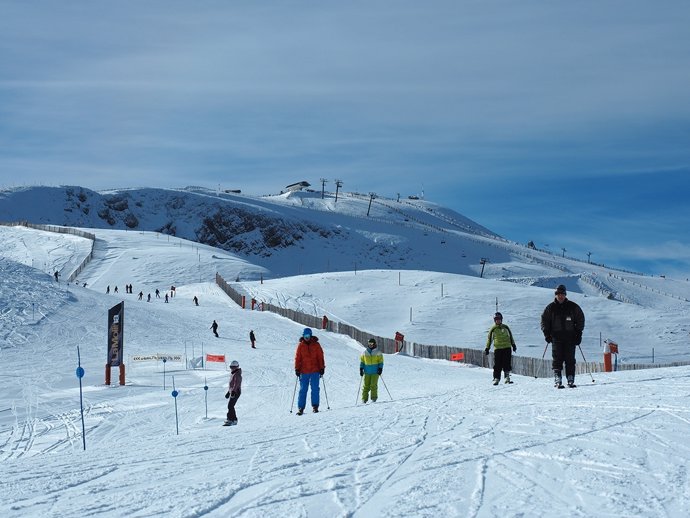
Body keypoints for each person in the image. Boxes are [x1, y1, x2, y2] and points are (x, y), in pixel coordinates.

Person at [541, 284, 585, 388]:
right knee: (557, 358)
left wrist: (578, 333)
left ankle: (570, 378)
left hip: (570, 338)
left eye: (562, 294)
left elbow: (580, 319)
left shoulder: (573, 307)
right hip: (556, 338)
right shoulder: (550, 308)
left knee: (570, 359)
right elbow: (544, 320)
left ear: (565, 295)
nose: (560, 296)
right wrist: (546, 333)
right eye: (558, 294)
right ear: (555, 295)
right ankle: (558, 378)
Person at [294, 328, 325, 415]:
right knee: (303, 389)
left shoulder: (316, 345)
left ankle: (315, 406)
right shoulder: (300, 346)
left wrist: (322, 368)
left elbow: (320, 357)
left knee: (315, 388)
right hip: (304, 371)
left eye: (308, 336)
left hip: (315, 370)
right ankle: (301, 408)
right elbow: (297, 358)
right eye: (305, 336)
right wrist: (297, 368)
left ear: (310, 336)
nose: (306, 338)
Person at [485, 312, 516, 385]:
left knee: (507, 363)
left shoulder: (506, 327)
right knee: (497, 364)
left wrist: (513, 345)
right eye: (496, 319)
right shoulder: (493, 329)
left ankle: (507, 377)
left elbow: (511, 336)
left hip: (507, 347)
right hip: (498, 348)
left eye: (499, 319)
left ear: (501, 319)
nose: (497, 321)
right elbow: (489, 339)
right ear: (494, 320)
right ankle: (496, 378)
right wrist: (487, 348)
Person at [360, 338, 384, 403]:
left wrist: (380, 368)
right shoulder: (364, 352)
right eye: (369, 344)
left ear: (374, 344)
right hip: (367, 372)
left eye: (372, 344)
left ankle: (374, 398)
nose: (370, 345)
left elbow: (381, 361)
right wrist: (361, 369)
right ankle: (364, 399)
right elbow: (362, 361)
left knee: (373, 385)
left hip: (375, 372)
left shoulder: (378, 352)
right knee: (366, 386)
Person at [224, 360, 242, 426]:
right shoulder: (233, 373)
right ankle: (232, 419)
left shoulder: (237, 374)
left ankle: (232, 419)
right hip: (233, 391)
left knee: (230, 405)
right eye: (231, 367)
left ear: (237, 367)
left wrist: (233, 391)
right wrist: (228, 392)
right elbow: (232, 385)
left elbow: (236, 383)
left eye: (233, 367)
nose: (232, 368)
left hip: (236, 391)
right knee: (230, 406)